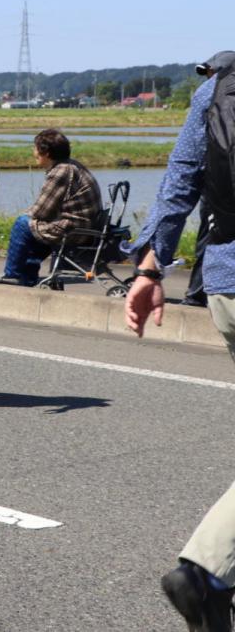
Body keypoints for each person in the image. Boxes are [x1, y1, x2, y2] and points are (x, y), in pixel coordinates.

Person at [123, 51, 235, 630]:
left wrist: (150, 268)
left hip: (225, 282)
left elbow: (180, 179)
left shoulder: (219, 83)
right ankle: (206, 572)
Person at [0, 129, 101, 287]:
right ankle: (28, 277)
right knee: (33, 226)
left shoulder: (60, 172)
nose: (34, 152)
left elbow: (40, 211)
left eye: (36, 148)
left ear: (47, 153)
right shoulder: (71, 165)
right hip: (84, 227)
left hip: (74, 230)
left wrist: (24, 215)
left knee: (22, 223)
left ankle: (12, 274)